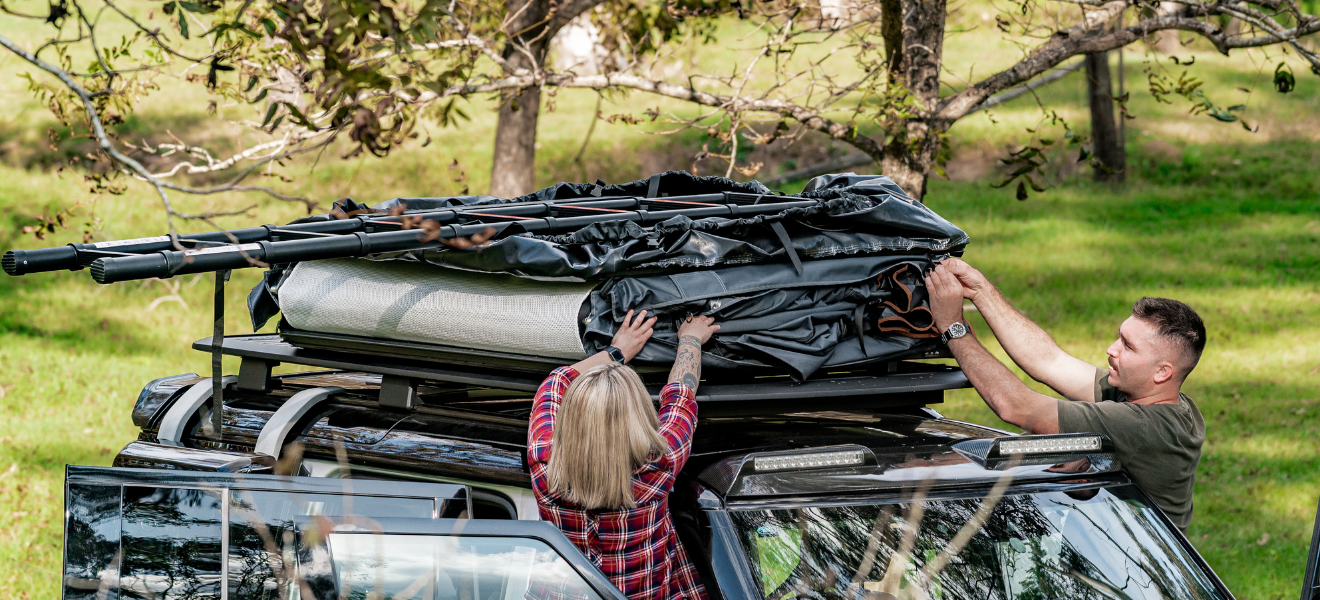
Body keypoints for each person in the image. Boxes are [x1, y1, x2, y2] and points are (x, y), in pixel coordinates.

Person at [924, 258, 1207, 532]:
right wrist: (980, 290)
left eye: (1128, 346)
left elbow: (1017, 407)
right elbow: (1049, 361)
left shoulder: (1142, 427)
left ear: (1162, 372)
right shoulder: (1162, 399)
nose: (1111, 349)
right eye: (1119, 337)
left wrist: (953, 326)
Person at [528, 309, 719, 600]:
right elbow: (681, 394)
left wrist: (616, 351)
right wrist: (691, 339)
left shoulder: (543, 463)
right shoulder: (658, 464)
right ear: (640, 416)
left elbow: (554, 383)